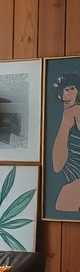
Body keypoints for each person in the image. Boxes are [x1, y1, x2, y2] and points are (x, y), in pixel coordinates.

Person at [52, 73, 80, 211]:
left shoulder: (74, 113)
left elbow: (58, 165)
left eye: (70, 89)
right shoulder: (68, 114)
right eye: (62, 90)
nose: (65, 95)